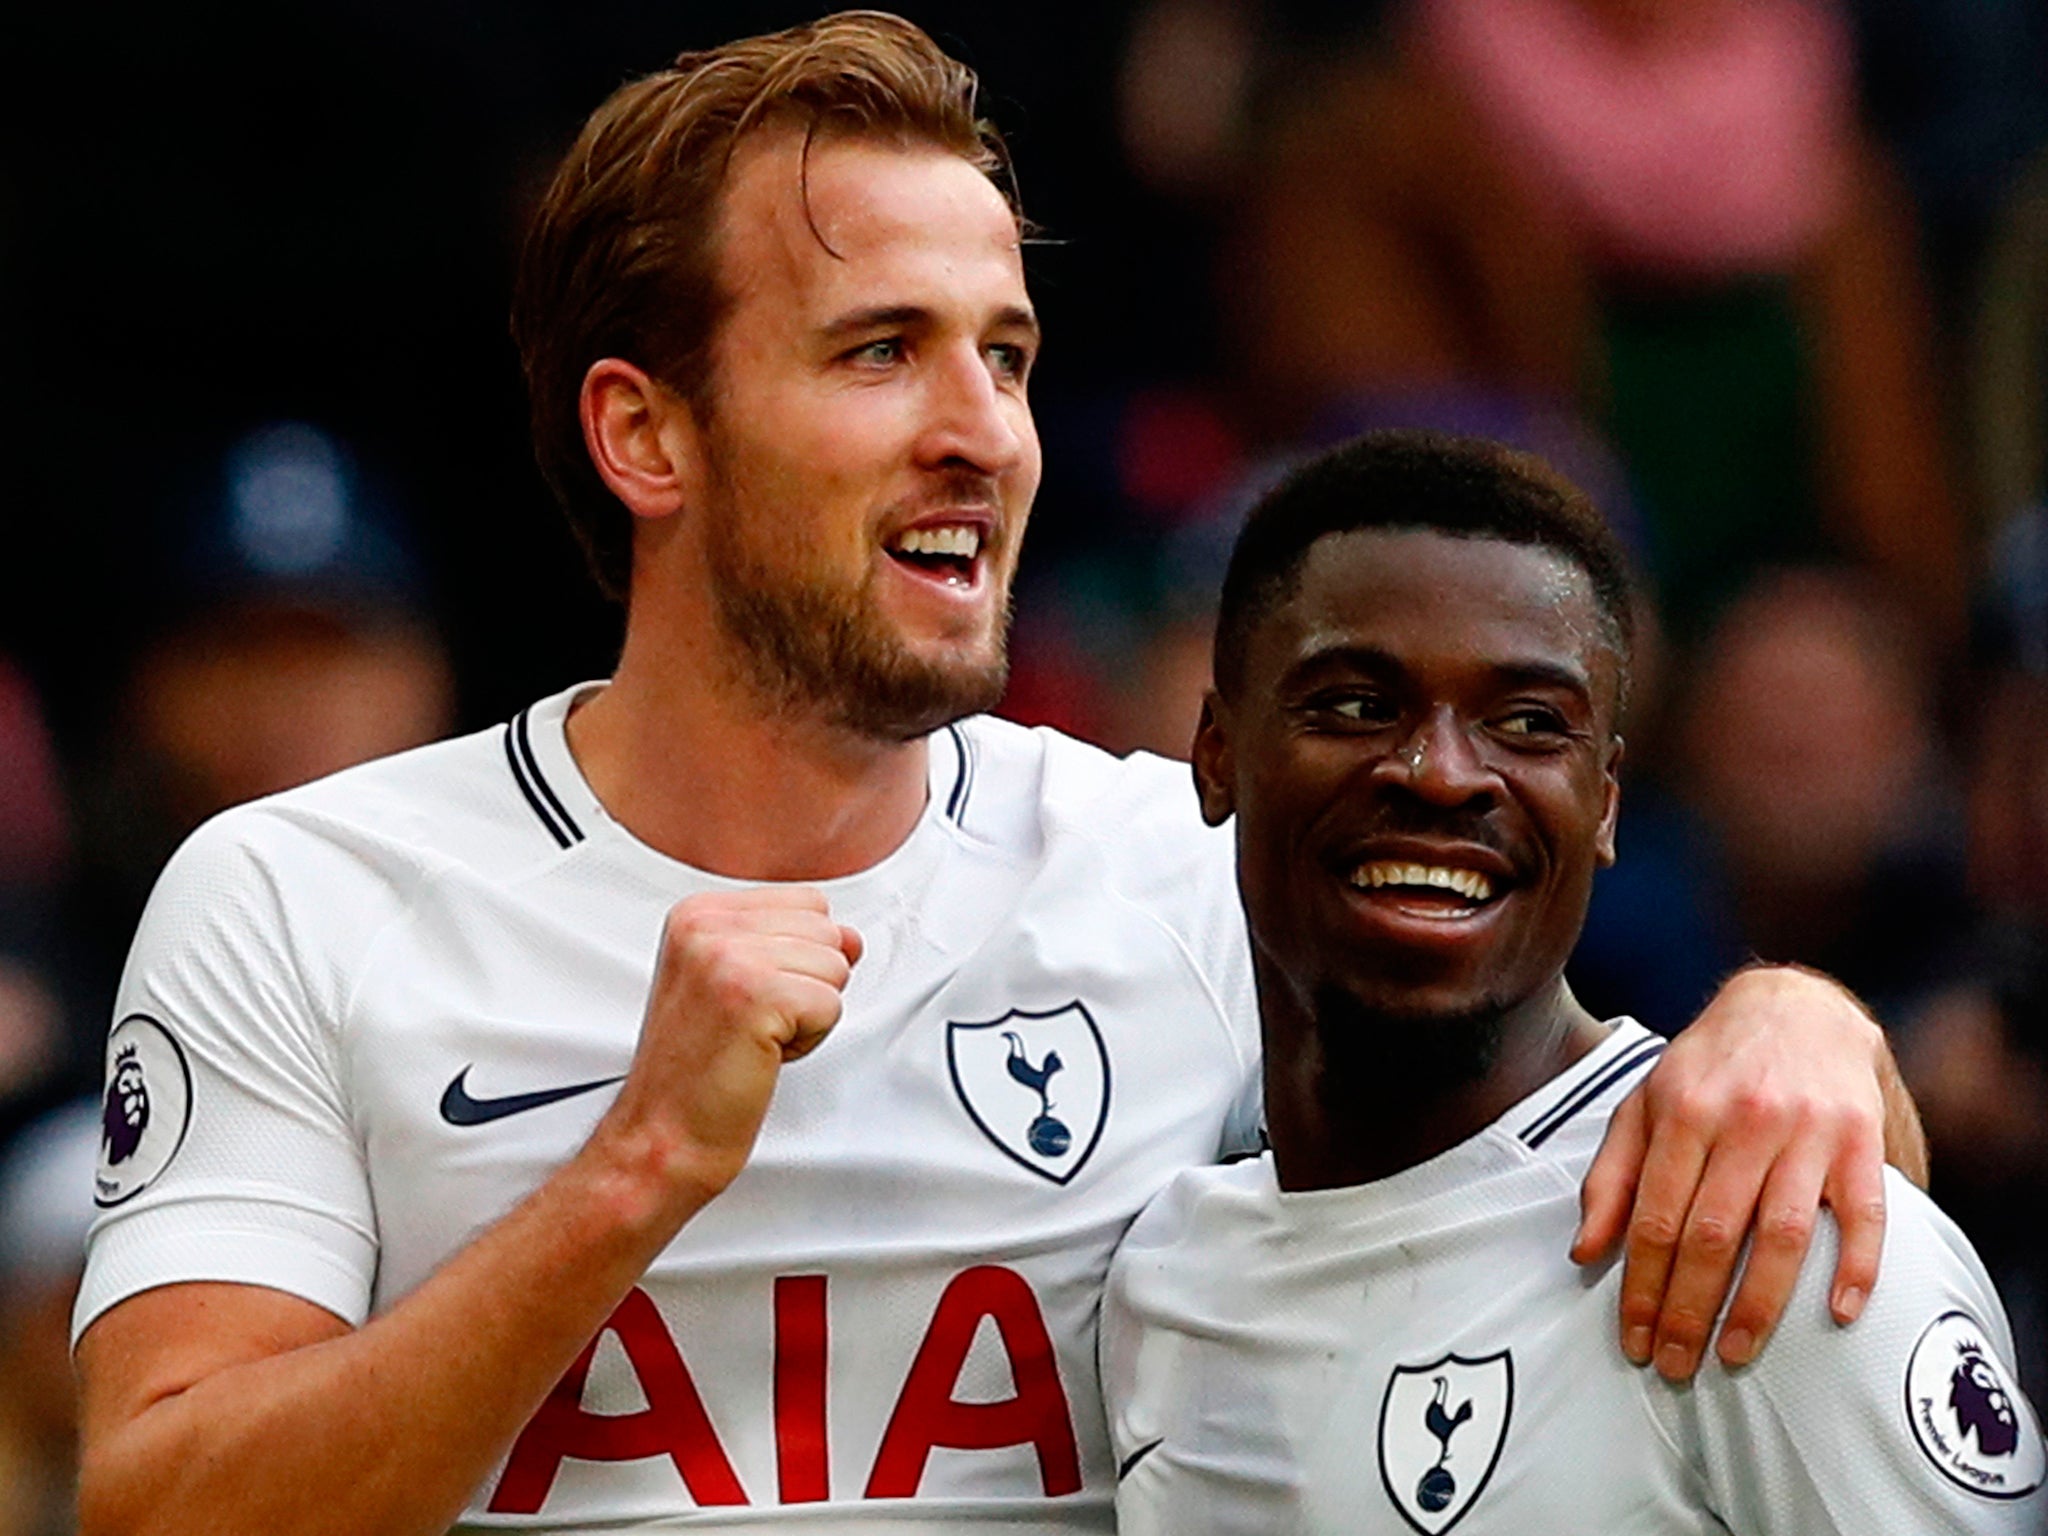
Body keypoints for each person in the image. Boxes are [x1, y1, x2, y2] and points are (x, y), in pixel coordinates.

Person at [73, 15, 1917, 1536]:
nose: (983, 436)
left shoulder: (1174, 867)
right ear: (645, 430)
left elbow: (1722, 1174)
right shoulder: (300, 897)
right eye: (881, 353)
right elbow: (157, 1508)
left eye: (1006, 356)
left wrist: (1799, 1032)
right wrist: (632, 1172)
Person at [1103, 430, 2043, 1533]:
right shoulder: (1160, 1274)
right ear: (1215, 753)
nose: (1442, 774)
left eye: (1527, 723)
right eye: (1356, 704)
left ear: (1602, 803)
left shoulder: (1763, 1227)